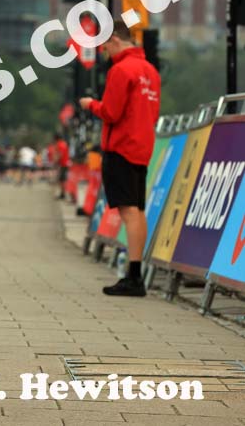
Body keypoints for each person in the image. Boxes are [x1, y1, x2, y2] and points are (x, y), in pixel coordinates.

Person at [80, 20, 160, 297]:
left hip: (122, 146)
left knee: (128, 211)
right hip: (142, 146)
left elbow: (111, 112)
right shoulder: (150, 71)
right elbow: (152, 112)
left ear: (114, 39)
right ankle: (135, 273)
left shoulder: (121, 70)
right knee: (137, 210)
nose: (104, 52)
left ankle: (134, 277)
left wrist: (91, 104)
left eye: (105, 46)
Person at [54, 133, 70, 200]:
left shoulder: (60, 144)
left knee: (62, 179)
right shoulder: (64, 144)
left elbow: (60, 154)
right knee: (62, 179)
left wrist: (55, 161)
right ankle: (62, 193)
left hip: (63, 164)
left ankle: (63, 194)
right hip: (65, 164)